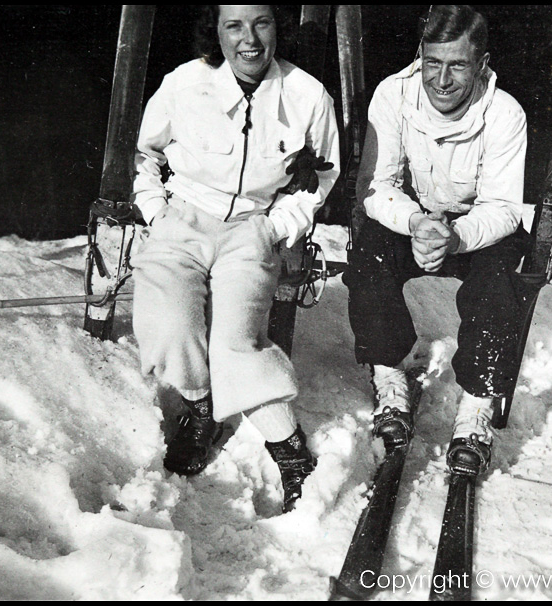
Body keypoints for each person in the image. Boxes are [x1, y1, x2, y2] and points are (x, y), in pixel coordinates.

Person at [131, 5, 340, 512]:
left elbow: (321, 180)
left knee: (236, 339)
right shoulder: (185, 84)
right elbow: (144, 154)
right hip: (182, 221)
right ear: (216, 33)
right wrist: (157, 214)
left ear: (277, 27)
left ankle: (289, 450)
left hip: (251, 229)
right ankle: (200, 408)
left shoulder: (308, 96)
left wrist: (275, 227)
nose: (250, 39)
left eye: (261, 23)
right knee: (169, 323)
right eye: (234, 25)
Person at [344, 5, 531, 477]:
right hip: (415, 219)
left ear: (482, 63)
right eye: (433, 63)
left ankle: (476, 404)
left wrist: (457, 237)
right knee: (367, 257)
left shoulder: (504, 113)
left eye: (458, 65)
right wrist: (415, 223)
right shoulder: (394, 95)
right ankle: (388, 373)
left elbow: (504, 207)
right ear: (419, 57)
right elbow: (376, 186)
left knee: (502, 278)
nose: (442, 80)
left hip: (476, 226)